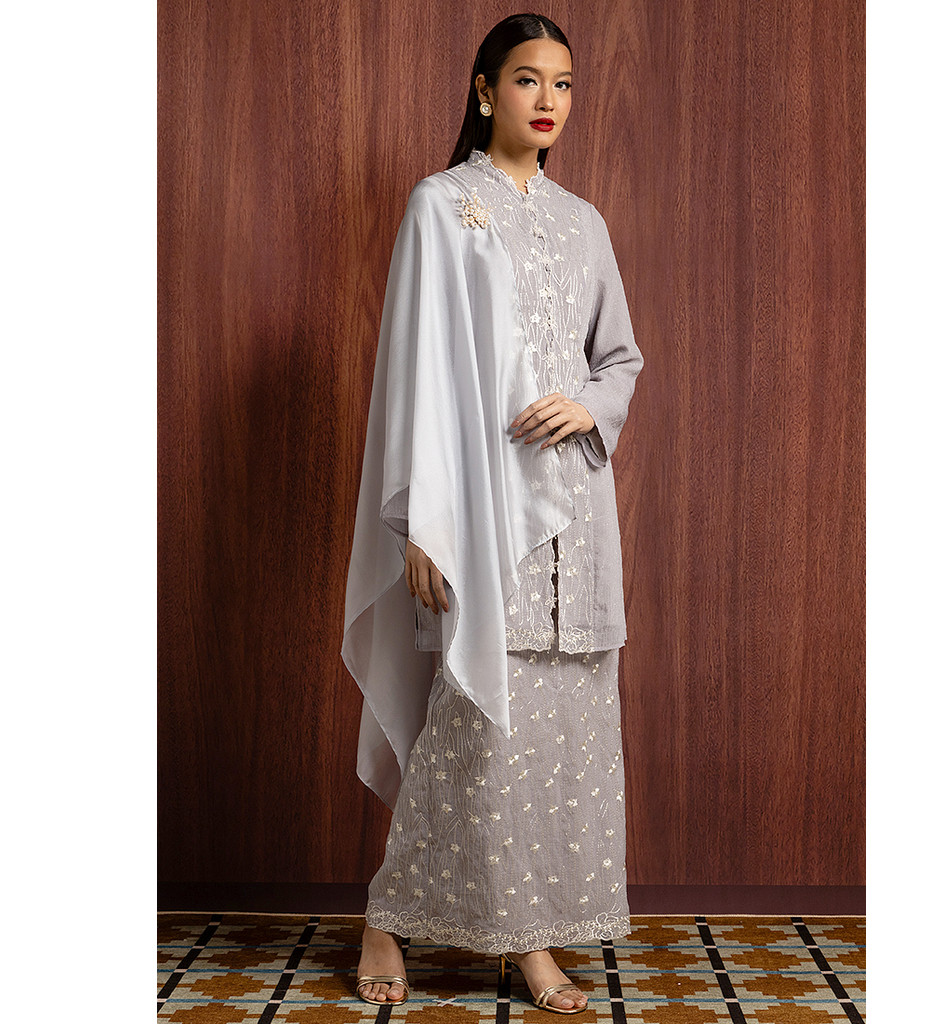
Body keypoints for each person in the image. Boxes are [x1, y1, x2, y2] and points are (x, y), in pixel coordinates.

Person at [341, 12, 644, 1014]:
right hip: (481, 510)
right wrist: (422, 522)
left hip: (577, 519)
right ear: (484, 91)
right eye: (526, 79)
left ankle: (530, 933)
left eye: (564, 83)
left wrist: (589, 406)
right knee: (477, 728)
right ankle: (397, 916)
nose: (548, 100)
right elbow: (415, 374)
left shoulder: (584, 223)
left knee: (562, 733)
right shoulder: (442, 207)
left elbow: (620, 359)